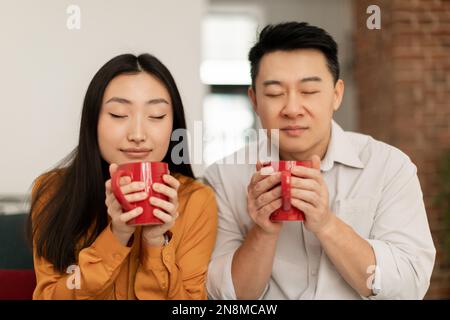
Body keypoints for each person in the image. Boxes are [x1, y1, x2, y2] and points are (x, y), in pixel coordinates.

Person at [204, 22, 435, 300]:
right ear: (254, 100)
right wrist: (263, 231)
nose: (291, 109)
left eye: (309, 92)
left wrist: (326, 224)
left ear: (336, 94)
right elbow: (221, 298)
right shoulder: (223, 177)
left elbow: (410, 286)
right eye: (275, 94)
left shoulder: (388, 167)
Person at [27, 53, 217, 300]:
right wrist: (116, 236)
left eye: (157, 116)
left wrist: (155, 241)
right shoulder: (52, 191)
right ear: (92, 121)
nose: (138, 134)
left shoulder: (196, 200)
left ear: (174, 125)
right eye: (118, 115)